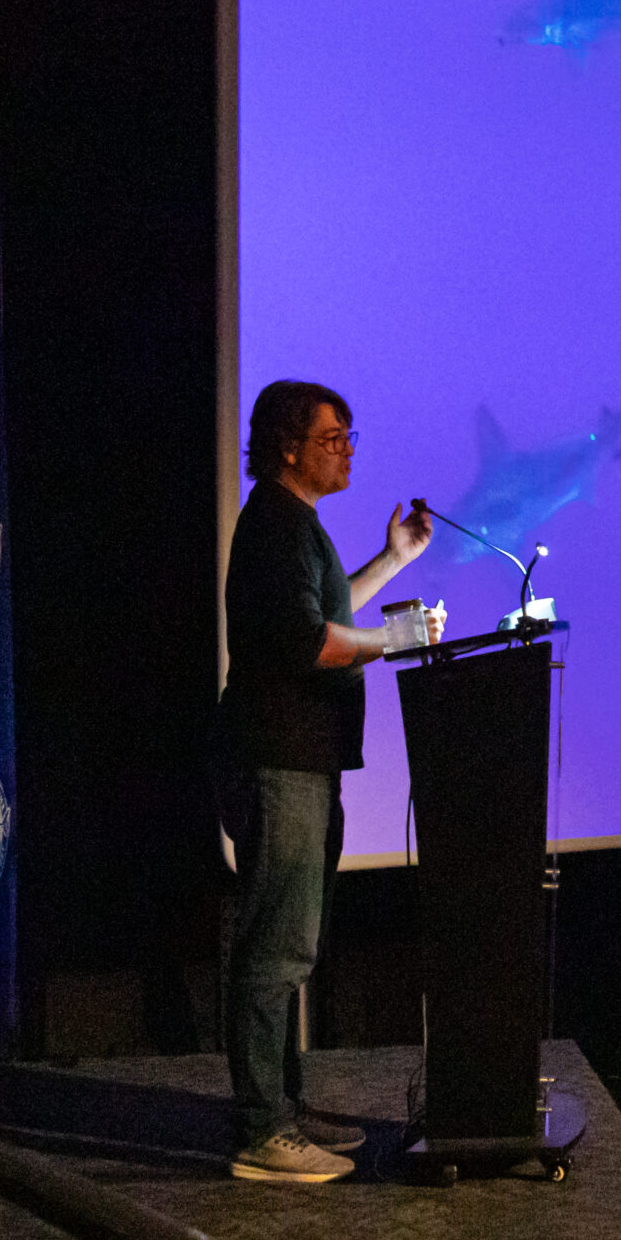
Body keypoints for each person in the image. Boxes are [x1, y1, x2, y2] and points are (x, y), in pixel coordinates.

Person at [216, 380, 442, 1184]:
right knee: (274, 947)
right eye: (332, 437)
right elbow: (312, 641)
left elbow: (326, 609)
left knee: (291, 943)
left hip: (301, 760)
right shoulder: (276, 524)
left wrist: (395, 559)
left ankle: (281, 1105)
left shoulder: (294, 524)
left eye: (349, 436)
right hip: (277, 760)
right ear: (288, 447)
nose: (347, 449)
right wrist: (397, 638)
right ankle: (262, 1129)